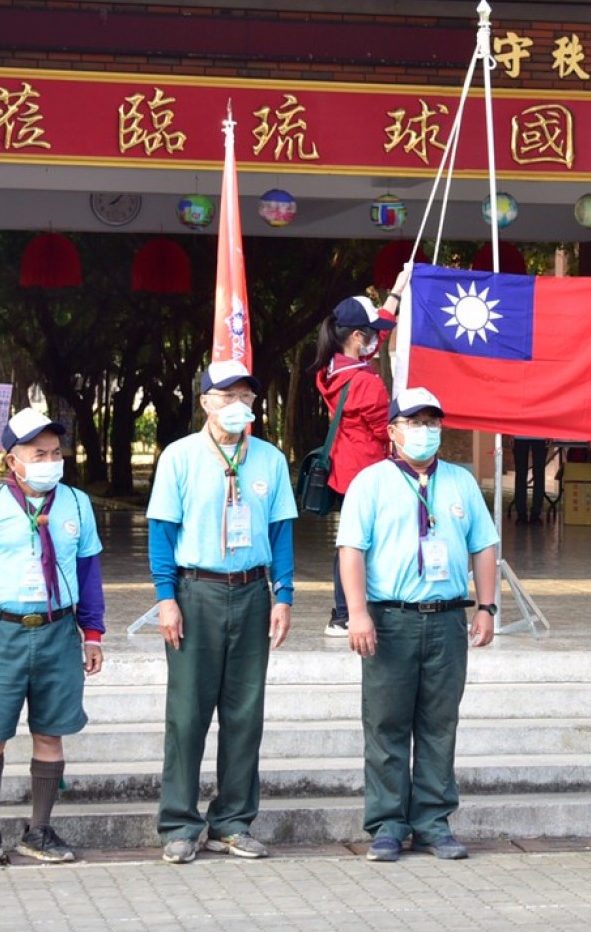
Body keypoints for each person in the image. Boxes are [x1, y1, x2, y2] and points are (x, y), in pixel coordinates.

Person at [336, 387, 499, 861]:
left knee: (439, 723)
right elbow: (351, 550)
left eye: (432, 422)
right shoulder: (371, 482)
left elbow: (483, 544)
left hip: (446, 619)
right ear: (392, 431)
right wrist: (357, 613)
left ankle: (432, 821)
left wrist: (486, 607)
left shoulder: (460, 481)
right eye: (414, 422)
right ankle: (387, 823)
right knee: (386, 723)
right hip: (391, 619)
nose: (425, 431)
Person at [146, 359, 295, 865]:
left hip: (252, 593)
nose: (238, 405)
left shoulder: (269, 459)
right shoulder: (180, 456)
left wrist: (283, 595)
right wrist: (166, 598)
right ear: (206, 402)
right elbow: (162, 531)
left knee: (245, 713)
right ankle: (179, 824)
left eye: (246, 397)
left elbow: (281, 530)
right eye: (227, 396)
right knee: (187, 714)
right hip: (196, 592)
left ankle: (232, 822)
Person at [0, 408, 104, 868]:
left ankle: (40, 830)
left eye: (56, 453)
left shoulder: (77, 504)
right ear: (12, 460)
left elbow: (89, 572)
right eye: (39, 454)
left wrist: (93, 633)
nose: (50, 462)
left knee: (50, 732)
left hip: (57, 631)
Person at [314, 284, 402, 636]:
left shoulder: (331, 370)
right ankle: (346, 614)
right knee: (361, 544)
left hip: (343, 470)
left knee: (350, 539)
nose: (376, 340)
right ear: (355, 336)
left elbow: (378, 336)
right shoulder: (367, 383)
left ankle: (342, 612)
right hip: (368, 471)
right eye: (370, 334)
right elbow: (385, 431)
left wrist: (397, 291)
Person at [509, 435, 551, 524]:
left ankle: (527, 514)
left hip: (524, 435)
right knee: (536, 475)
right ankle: (531, 514)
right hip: (531, 434)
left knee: (524, 475)